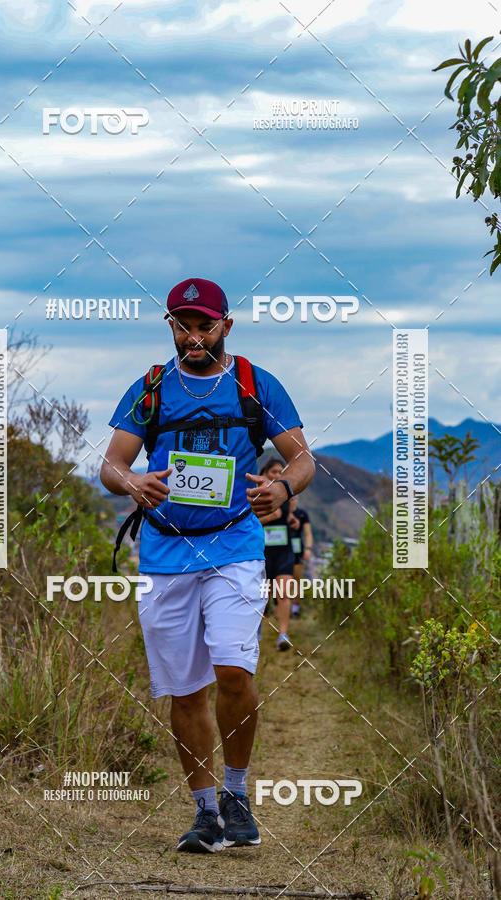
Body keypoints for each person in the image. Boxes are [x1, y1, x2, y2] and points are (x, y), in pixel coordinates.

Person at [100, 277, 314, 854]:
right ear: (170, 326)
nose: (193, 336)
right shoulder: (150, 389)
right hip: (166, 552)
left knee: (233, 670)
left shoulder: (253, 384)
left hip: (234, 546)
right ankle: (206, 811)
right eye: (182, 325)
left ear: (226, 326)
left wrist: (284, 490)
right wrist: (133, 481)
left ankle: (239, 791)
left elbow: (301, 457)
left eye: (204, 325)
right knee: (185, 688)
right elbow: (112, 463)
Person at [257, 457, 297, 650]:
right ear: (265, 472)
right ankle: (256, 630)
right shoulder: (256, 494)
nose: (277, 475)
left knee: (283, 593)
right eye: (274, 472)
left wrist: (291, 519)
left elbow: (289, 514)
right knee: (262, 596)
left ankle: (283, 635)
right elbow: (250, 521)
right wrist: (271, 516)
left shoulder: (287, 494)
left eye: (281, 472)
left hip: (284, 550)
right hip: (261, 552)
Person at [289, 506, 313, 618]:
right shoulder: (280, 509)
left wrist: (308, 548)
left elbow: (308, 533)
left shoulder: (302, 513)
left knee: (297, 579)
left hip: (297, 548)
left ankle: (295, 610)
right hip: (281, 547)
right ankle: (276, 608)